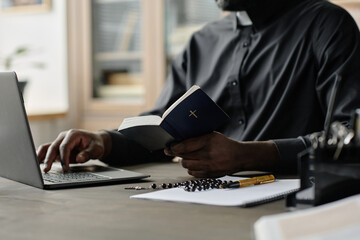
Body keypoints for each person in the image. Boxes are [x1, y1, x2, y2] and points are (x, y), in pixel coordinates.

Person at [37, 0, 360, 178]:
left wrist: (251, 154)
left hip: (291, 200)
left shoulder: (326, 23)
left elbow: (350, 136)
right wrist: (103, 141)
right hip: (203, 197)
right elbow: (161, 129)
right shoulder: (201, 41)